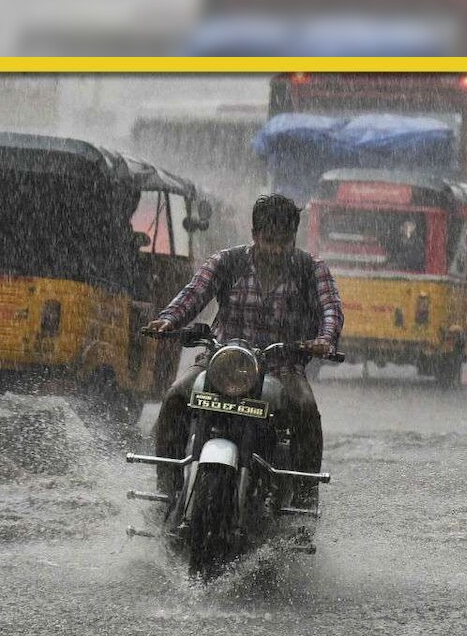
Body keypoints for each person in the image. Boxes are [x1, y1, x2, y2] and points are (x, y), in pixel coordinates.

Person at [145, 194, 344, 509]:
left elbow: (330, 310)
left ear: (294, 237)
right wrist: (169, 320)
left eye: (284, 241)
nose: (276, 249)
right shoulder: (227, 261)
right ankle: (166, 489)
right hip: (220, 359)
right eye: (268, 240)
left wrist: (325, 338)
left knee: (306, 412)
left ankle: (305, 503)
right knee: (174, 399)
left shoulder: (311, 269)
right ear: (254, 234)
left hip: (282, 367)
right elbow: (193, 294)